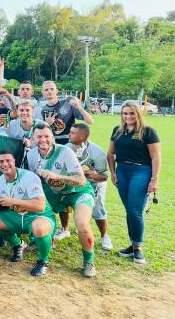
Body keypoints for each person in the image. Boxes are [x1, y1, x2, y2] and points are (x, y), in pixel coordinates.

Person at [27, 123, 97, 277]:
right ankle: (42, 239)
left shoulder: (64, 151)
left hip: (78, 193)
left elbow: (81, 181)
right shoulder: (31, 155)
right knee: (35, 212)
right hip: (53, 194)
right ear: (33, 138)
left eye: (47, 136)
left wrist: (58, 177)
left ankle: (88, 261)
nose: (43, 140)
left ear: (53, 137)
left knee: (82, 224)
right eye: (39, 136)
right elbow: (35, 181)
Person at [0, 150, 55, 276]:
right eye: (1, 161)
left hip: (38, 215)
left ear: (14, 161)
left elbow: (40, 206)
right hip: (16, 216)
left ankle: (43, 261)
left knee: (39, 227)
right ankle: (18, 244)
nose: (5, 164)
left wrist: (13, 201)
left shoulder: (29, 177)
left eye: (8, 160)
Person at [107, 101, 161, 264]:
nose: (128, 116)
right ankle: (132, 245)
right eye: (125, 113)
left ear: (138, 114)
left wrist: (154, 179)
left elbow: (156, 157)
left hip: (141, 172)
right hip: (122, 172)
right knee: (129, 210)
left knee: (134, 211)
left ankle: (138, 247)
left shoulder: (148, 131)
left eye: (131, 113)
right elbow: (110, 153)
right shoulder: (117, 131)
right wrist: (113, 172)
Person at [56, 123, 112, 250]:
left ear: (82, 136)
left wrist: (90, 175)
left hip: (94, 183)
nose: (68, 135)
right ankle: (65, 229)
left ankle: (104, 236)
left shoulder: (97, 152)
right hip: (73, 182)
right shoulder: (66, 148)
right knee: (63, 200)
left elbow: (104, 177)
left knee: (98, 209)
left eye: (72, 133)